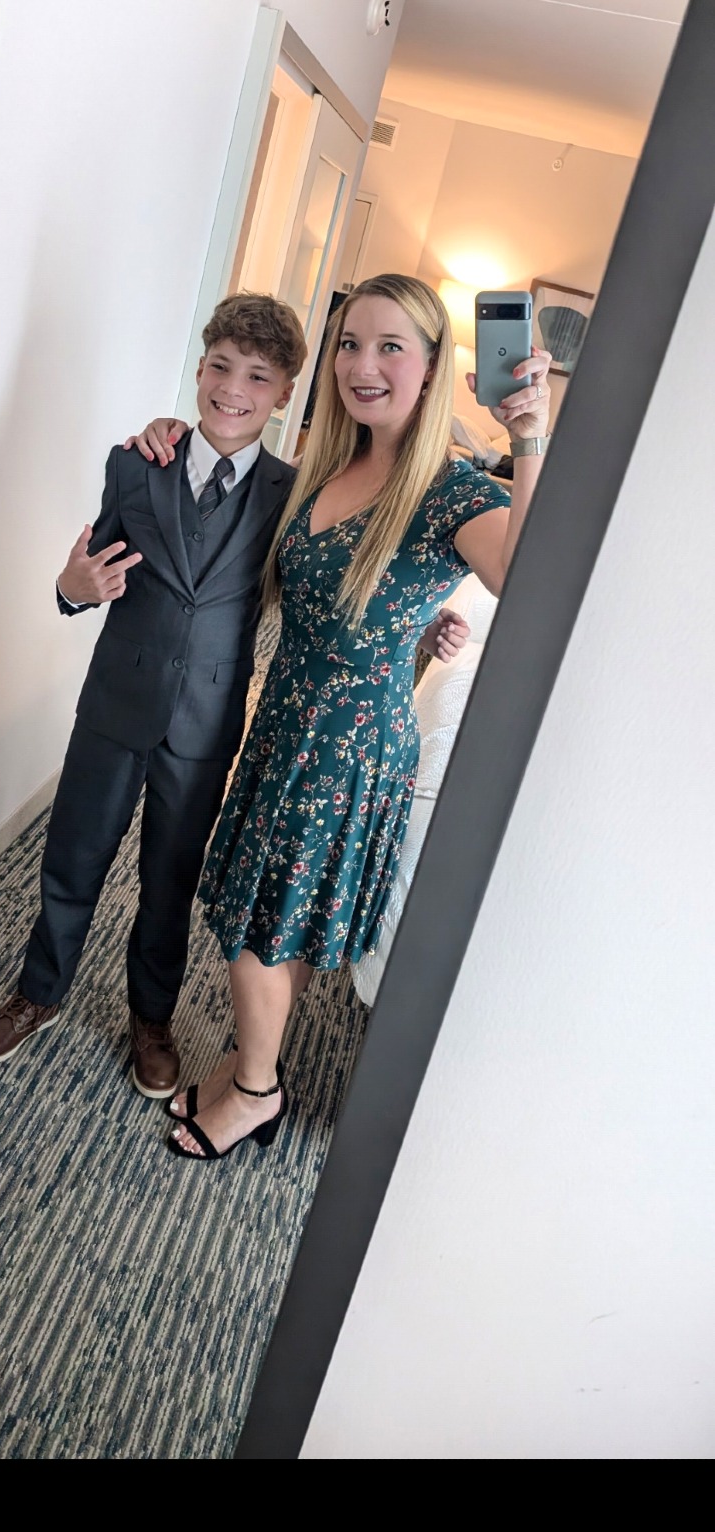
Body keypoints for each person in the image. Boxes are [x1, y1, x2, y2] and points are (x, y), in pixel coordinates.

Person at [151, 272, 551, 1159]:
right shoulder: (333, 464)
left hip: (345, 753)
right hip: (285, 725)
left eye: (390, 347)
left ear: (434, 366)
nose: (363, 366)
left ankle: (256, 1093)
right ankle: (253, 1060)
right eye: (350, 345)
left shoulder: (451, 492)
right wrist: (174, 434)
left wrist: (528, 437)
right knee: (276, 922)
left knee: (258, 934)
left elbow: (525, 580)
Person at [0, 293, 312, 1098]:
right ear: (199, 368)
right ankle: (38, 993)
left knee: (169, 880)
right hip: (116, 702)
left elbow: (317, 594)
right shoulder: (135, 464)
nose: (234, 388)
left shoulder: (292, 495)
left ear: (283, 394)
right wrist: (70, 588)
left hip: (207, 721)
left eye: (258, 377)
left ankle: (151, 1018)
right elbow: (92, 568)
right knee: (73, 855)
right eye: (220, 366)